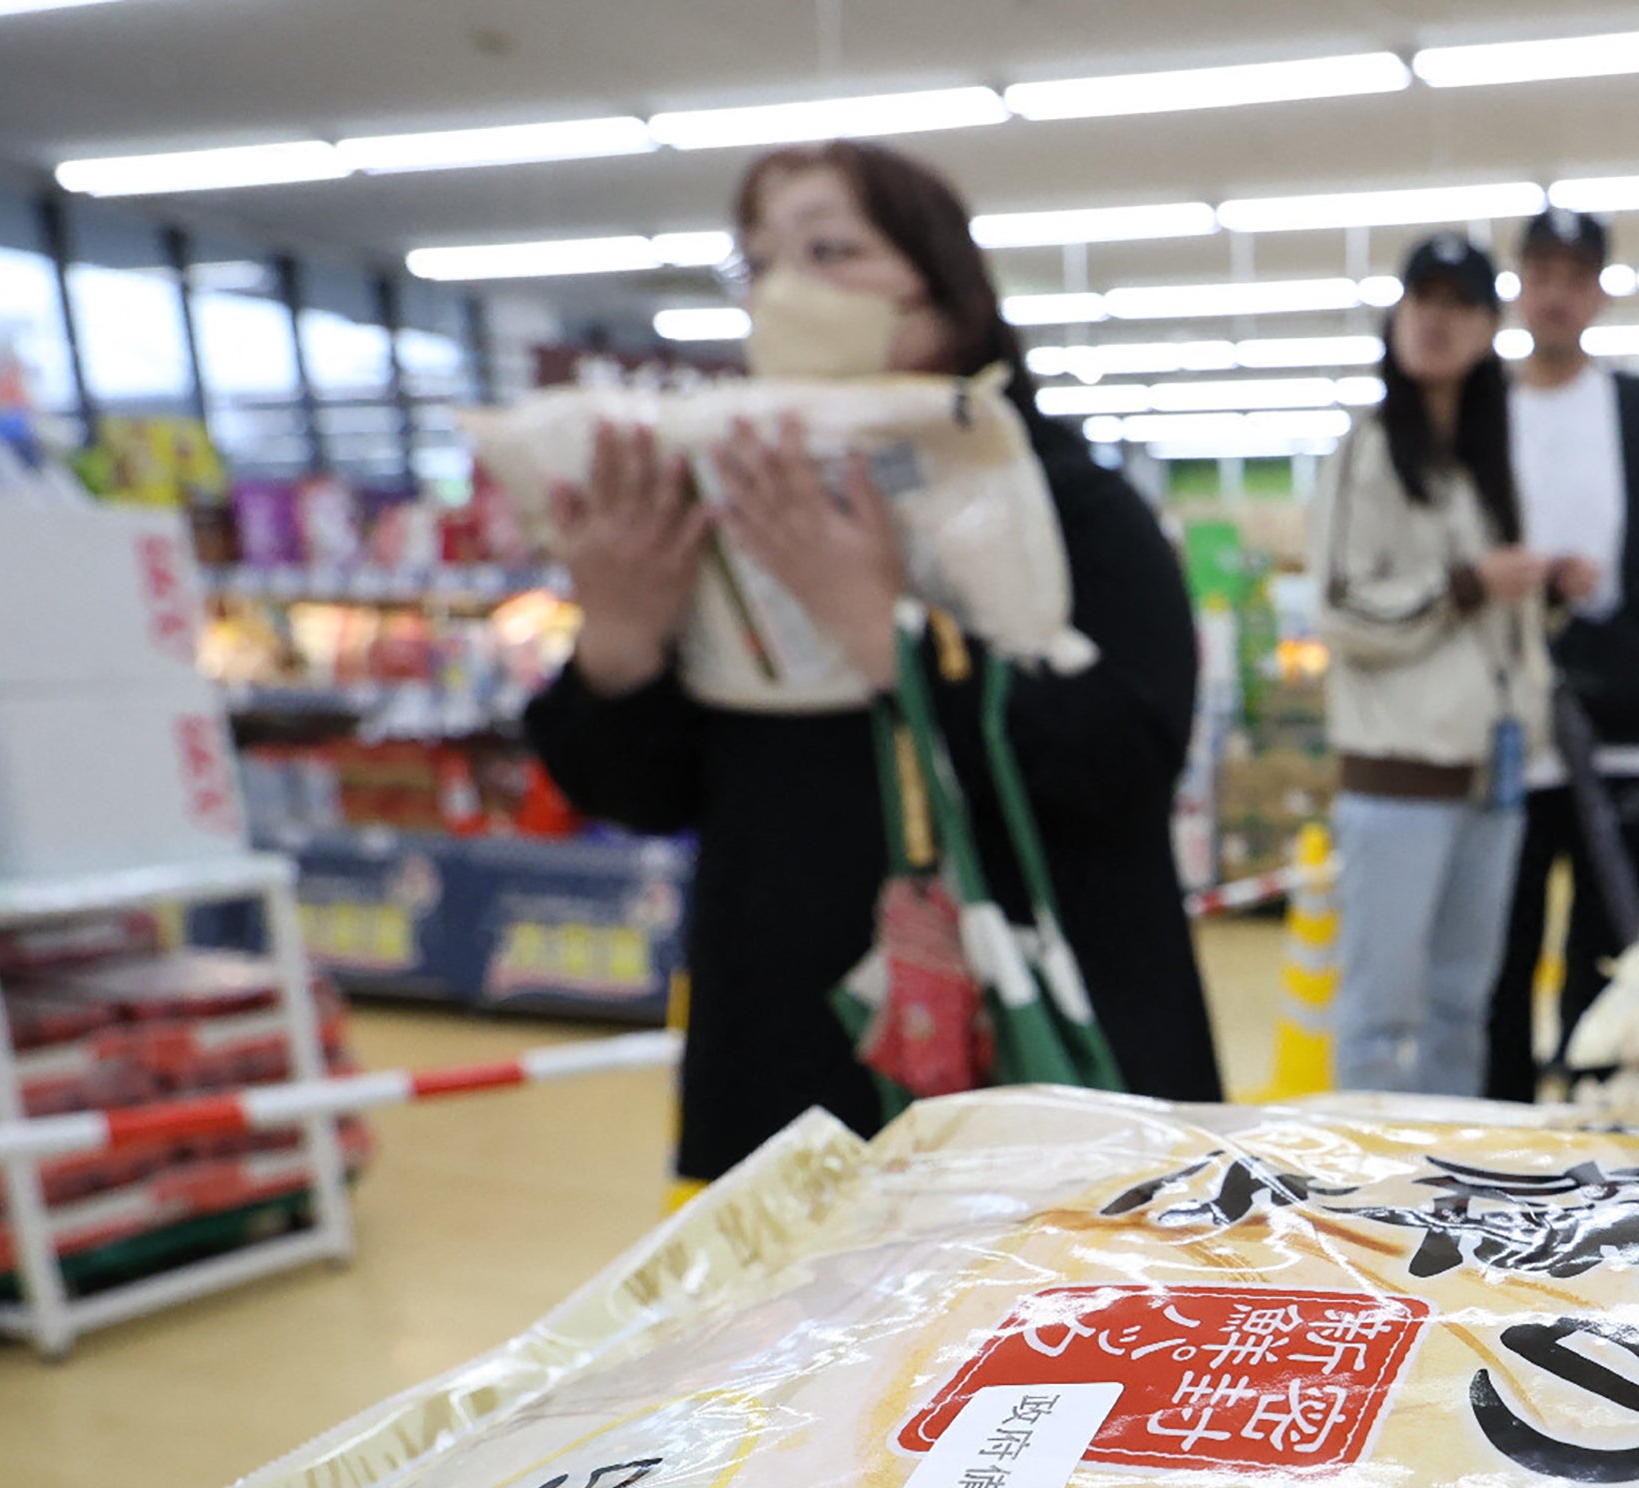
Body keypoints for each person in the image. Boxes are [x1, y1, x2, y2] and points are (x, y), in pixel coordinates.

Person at [526, 139, 1219, 1183]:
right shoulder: (724, 509)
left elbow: (1119, 775)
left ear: (948, 292)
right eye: (758, 264)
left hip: (1042, 1067)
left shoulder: (1075, 505)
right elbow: (648, 793)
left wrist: (884, 637)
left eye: (832, 250)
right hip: (786, 1073)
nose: (786, 291)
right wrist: (619, 645)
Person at [1481, 207, 1639, 1101]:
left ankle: (1596, 1106)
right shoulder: (1483, 409)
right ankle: (1496, 1119)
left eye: (1573, 277)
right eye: (1539, 273)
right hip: (1505, 713)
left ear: (1598, 294)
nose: (1555, 293)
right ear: (1518, 286)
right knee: (1500, 939)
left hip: (1624, 709)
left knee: (1612, 930)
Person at [1309, 234, 1550, 1097]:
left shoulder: (1485, 465)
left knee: (1461, 1005)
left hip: (1493, 772)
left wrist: (1535, 593)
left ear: (1489, 327)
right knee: (1380, 1011)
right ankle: (1363, 1200)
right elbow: (1338, 606)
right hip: (1397, 777)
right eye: (1420, 300)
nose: (1433, 321)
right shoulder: (1366, 451)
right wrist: (1468, 584)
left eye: (1458, 305)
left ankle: (1449, 1193)